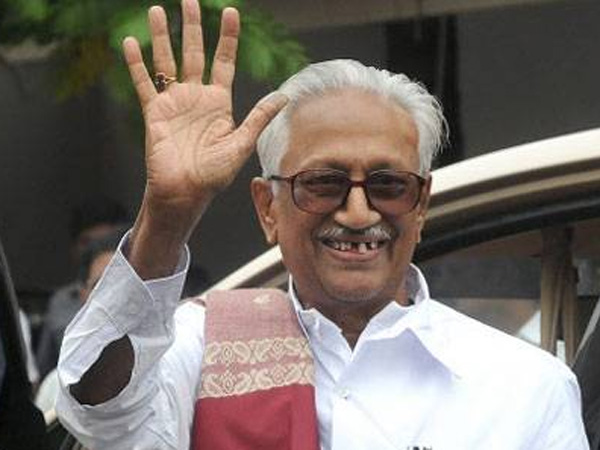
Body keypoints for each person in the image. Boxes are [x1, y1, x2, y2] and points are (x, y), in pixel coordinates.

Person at [56, 1, 589, 449]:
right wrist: (168, 216)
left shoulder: (526, 387)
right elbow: (98, 413)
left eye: (388, 184)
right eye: (323, 183)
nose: (357, 213)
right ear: (268, 208)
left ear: (421, 205)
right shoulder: (203, 349)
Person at [36, 196, 129, 377]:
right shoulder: (60, 302)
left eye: (109, 240)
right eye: (87, 242)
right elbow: (44, 373)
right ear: (83, 293)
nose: (98, 248)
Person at [35, 228, 124, 415]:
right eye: (101, 286)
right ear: (83, 294)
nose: (114, 296)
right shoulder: (56, 387)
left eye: (124, 284)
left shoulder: (177, 368)